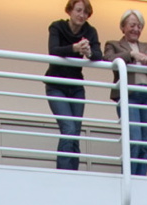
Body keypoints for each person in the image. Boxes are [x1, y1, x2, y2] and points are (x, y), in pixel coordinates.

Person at [45, 0, 101, 171]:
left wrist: (89, 52)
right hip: (56, 84)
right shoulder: (57, 26)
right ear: (69, 11)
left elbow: (99, 54)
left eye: (85, 12)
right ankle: (64, 174)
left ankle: (74, 174)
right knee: (69, 128)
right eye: (78, 10)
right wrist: (74, 48)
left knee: (75, 132)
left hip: (76, 86)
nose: (81, 15)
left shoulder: (90, 31)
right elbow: (53, 50)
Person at [103, 10, 147, 176]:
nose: (136, 29)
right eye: (132, 25)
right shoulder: (113, 44)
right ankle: (130, 178)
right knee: (134, 140)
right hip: (130, 95)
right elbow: (108, 58)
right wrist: (131, 54)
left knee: (145, 144)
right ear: (123, 27)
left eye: (139, 26)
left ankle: (141, 180)